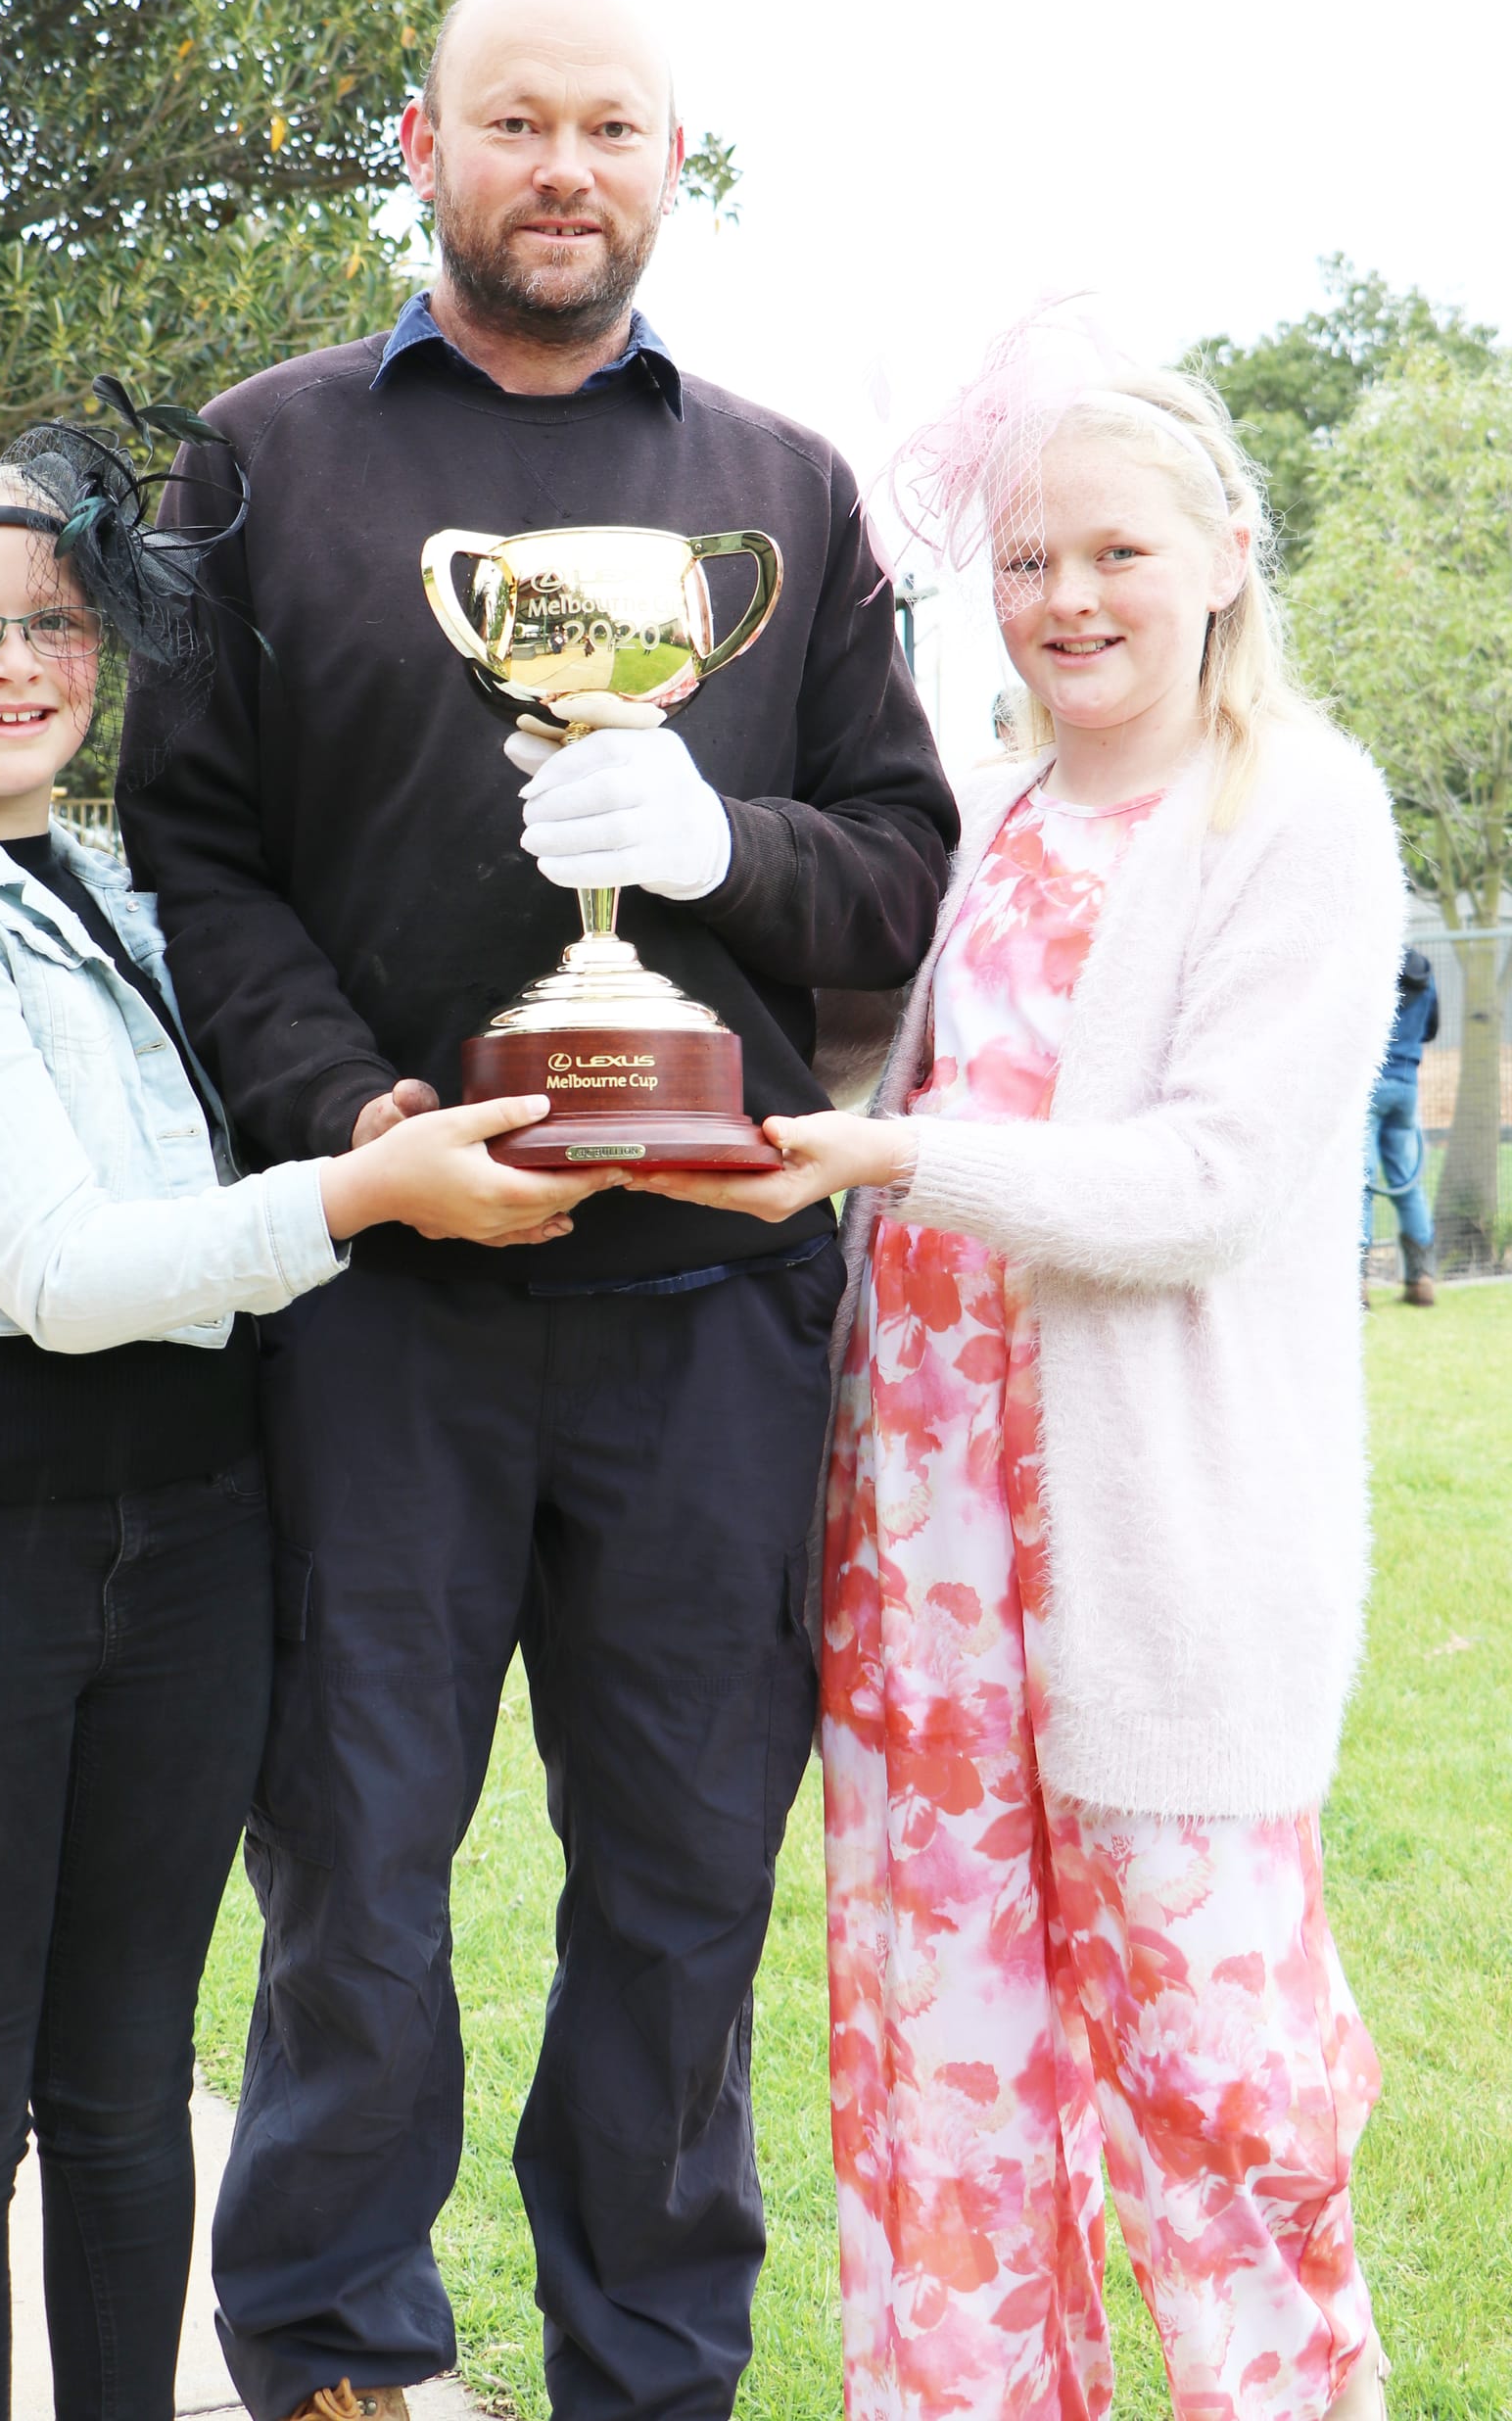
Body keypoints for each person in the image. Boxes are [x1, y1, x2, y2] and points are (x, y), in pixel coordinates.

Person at [117, 0, 959, 2421]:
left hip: (710, 1297)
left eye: (609, 125)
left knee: (681, 1885)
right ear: (423, 142)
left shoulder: (783, 491)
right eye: (515, 122)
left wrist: (719, 837)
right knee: (356, 1866)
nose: (560, 166)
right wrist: (352, 1121)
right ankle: (338, 2359)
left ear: (669, 164)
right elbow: (199, 848)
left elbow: (899, 869)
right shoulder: (261, 459)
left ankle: (647, 2364)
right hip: (392, 1299)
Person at [0, 432, 610, 2421]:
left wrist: (364, 1121)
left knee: (133, 2083)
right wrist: (364, 1200)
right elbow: (69, 1271)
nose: (13, 662)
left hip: (183, 1539)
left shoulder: (117, 898)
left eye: (52, 624)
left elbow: (216, 1145)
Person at [650, 327, 1401, 2421]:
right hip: (921, 1587)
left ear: (1225, 552)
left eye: (1114, 552)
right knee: (943, 2139)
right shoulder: (994, 817)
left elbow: (1210, 1184)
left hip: (1155, 1595)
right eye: (1027, 559)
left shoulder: (1294, 812)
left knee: (1226, 2111)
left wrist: (890, 1153)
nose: (1067, 598)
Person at [1365, 945, 1440, 1305]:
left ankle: (1356, 1285)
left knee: (1361, 1185)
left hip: (1370, 1086)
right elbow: (1431, 1029)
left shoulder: (1371, 965)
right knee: (1407, 1182)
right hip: (1406, 1085)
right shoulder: (1424, 970)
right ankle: (1421, 1280)